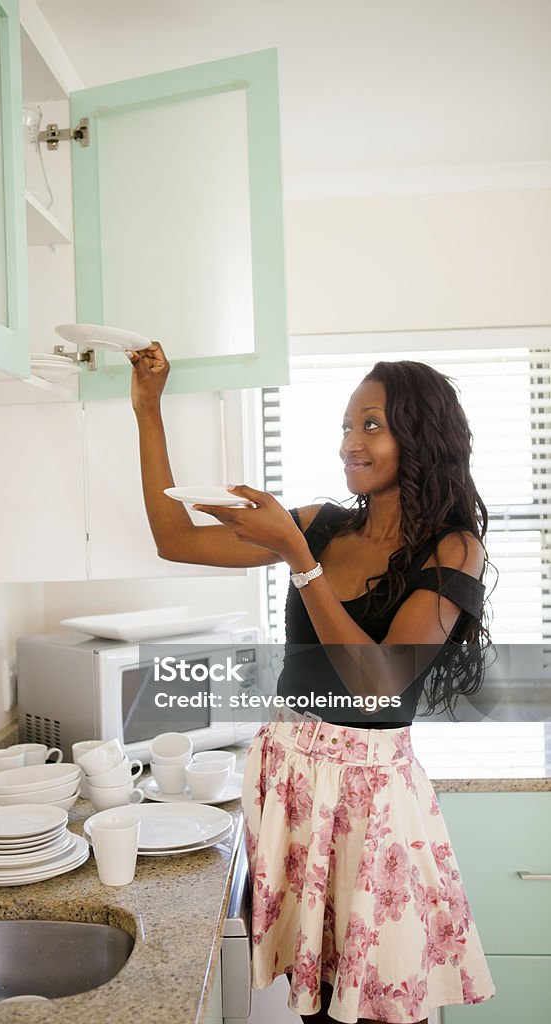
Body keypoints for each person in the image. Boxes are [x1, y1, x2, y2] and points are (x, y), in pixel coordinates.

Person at [126, 342, 496, 1024]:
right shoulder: (319, 524)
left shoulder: (451, 548)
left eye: (371, 425)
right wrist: (148, 409)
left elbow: (378, 683)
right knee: (317, 1006)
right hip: (290, 782)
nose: (349, 443)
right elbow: (174, 539)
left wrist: (298, 561)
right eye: (345, 426)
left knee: (381, 1006)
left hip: (369, 799)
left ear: (420, 436)